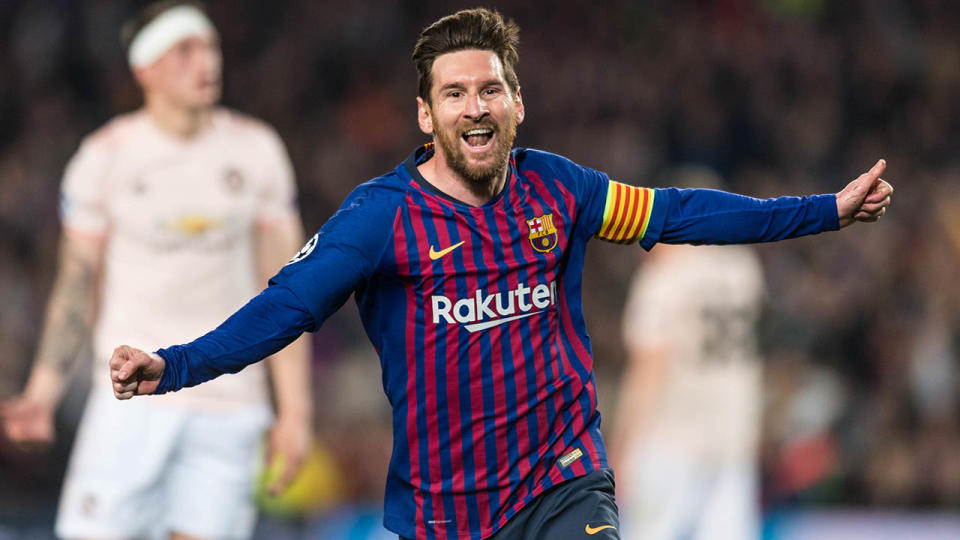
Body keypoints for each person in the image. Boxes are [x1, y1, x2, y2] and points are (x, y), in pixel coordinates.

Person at [107, 8, 893, 540]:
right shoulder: (378, 218)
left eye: (489, 89)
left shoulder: (561, 188)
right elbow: (284, 309)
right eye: (454, 93)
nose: (474, 106)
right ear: (426, 114)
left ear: (518, 101)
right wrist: (173, 366)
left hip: (564, 480)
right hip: (445, 510)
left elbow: (678, 212)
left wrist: (826, 209)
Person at [0, 2, 312, 539]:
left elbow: (289, 290)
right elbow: (75, 288)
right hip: (129, 396)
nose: (205, 62)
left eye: (210, 48)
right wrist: (42, 394)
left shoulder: (257, 151)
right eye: (185, 50)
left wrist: (296, 414)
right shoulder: (104, 158)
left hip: (229, 400)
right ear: (145, 69)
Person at [610, 167, 766, 540]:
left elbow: (650, 368)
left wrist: (622, 450)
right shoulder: (746, 269)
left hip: (670, 440)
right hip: (733, 438)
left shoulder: (665, 278)